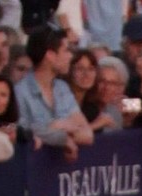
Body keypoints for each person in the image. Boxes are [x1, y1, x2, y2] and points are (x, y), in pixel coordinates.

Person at [14, 25, 92, 158]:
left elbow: (87, 135)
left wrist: (53, 130)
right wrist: (60, 131)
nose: (70, 56)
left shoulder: (62, 88)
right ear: (50, 55)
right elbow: (22, 134)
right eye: (66, 50)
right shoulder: (20, 93)